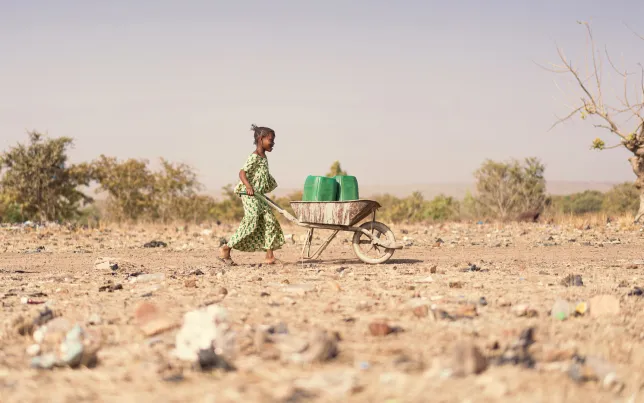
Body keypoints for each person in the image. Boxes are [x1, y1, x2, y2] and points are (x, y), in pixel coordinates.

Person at [219, 124, 285, 265]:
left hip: (258, 195)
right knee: (252, 220)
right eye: (271, 140)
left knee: (269, 221)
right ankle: (227, 248)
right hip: (249, 194)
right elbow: (242, 172)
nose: (273, 143)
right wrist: (248, 186)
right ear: (261, 139)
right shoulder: (254, 156)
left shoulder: (263, 157)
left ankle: (269, 256)